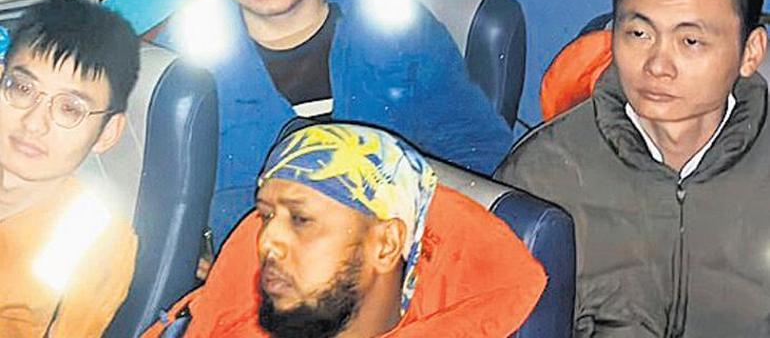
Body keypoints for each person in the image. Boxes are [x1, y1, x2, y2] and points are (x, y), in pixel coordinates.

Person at [155, 0, 514, 247]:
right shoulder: (186, 61)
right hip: (254, 269)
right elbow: (160, 203)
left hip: (396, 255)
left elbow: (473, 147)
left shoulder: (395, 31)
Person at [496, 0, 769, 337]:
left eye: (690, 41)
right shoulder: (543, 175)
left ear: (750, 52)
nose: (658, 65)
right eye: (639, 34)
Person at [142, 123, 546, 337]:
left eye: (301, 220)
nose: (267, 242)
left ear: (386, 244)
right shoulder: (221, 326)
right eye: (266, 215)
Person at [0, 0, 141, 337]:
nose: (34, 122)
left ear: (106, 133)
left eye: (70, 109)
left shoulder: (91, 238)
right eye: (23, 88)